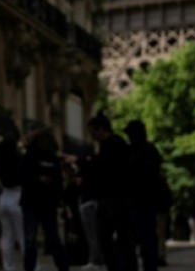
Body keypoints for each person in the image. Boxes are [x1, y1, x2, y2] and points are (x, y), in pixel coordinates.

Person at [81, 112, 134, 271]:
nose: (92, 137)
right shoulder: (114, 145)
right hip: (116, 198)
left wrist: (87, 163)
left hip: (112, 198)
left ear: (101, 129)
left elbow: (105, 170)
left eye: (93, 132)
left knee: (108, 236)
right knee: (119, 237)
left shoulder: (112, 146)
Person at [19, 130, 69, 271]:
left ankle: (63, 267)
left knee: (53, 238)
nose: (44, 144)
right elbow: (21, 177)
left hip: (47, 204)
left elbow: (59, 182)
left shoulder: (53, 160)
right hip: (31, 202)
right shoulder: (29, 157)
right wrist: (37, 179)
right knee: (30, 239)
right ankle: (30, 267)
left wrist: (60, 199)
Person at [124, 120, 161, 271]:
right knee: (143, 241)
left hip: (142, 201)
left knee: (144, 241)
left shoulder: (144, 151)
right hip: (141, 201)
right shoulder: (145, 150)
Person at [0, 136, 24, 271]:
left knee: (6, 237)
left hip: (4, 197)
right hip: (17, 196)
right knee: (22, 235)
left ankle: (8, 267)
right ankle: (32, 266)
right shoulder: (18, 160)